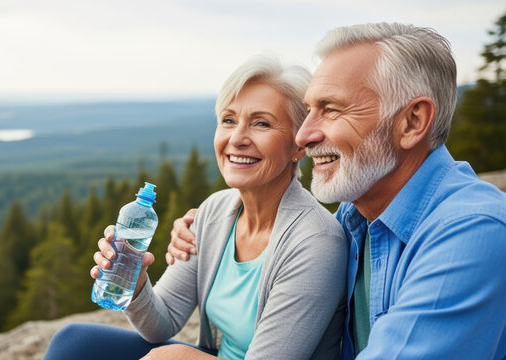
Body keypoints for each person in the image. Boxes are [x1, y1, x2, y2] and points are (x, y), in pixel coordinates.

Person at [168, 22, 506, 359]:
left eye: (330, 110)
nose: (303, 136)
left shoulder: (472, 233)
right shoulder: (354, 218)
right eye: (309, 110)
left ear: (412, 122)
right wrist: (207, 232)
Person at [43, 54, 348, 360]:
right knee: (74, 342)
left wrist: (178, 357)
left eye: (261, 123)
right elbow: (161, 323)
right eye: (229, 120)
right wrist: (135, 285)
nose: (237, 138)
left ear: (298, 145)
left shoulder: (316, 242)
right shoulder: (214, 212)